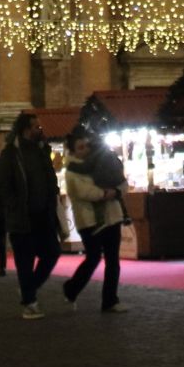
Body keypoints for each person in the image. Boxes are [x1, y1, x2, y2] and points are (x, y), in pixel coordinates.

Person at [0, 111, 61, 317]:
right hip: (22, 216)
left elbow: (50, 178)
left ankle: (28, 289)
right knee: (25, 261)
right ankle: (30, 303)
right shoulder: (11, 153)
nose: (40, 130)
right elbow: (3, 185)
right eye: (37, 127)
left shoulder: (42, 151)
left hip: (44, 215)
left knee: (52, 253)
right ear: (26, 129)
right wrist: (14, 206)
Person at [60, 130, 129, 313]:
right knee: (93, 258)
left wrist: (117, 191)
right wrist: (108, 193)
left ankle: (110, 300)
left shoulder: (103, 163)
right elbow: (85, 192)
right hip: (89, 221)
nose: (85, 150)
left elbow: (120, 182)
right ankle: (72, 288)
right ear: (72, 151)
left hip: (111, 216)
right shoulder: (72, 172)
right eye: (80, 147)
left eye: (86, 146)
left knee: (113, 261)